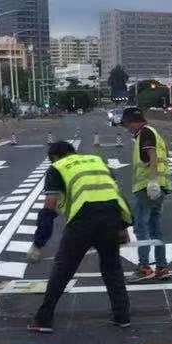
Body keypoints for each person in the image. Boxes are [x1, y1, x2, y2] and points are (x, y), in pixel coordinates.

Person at [27, 140, 132, 333]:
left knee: (63, 267)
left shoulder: (57, 167)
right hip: (110, 215)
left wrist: (38, 243)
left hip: (83, 219)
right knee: (112, 266)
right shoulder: (97, 161)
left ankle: (43, 319)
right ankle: (122, 316)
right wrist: (122, 227)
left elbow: (49, 208)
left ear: (55, 157)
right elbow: (113, 192)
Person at [121, 106, 171, 281]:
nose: (127, 129)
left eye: (127, 125)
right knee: (155, 229)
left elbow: (152, 156)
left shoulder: (145, 133)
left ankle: (144, 267)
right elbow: (164, 150)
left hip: (148, 188)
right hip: (160, 187)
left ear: (132, 122)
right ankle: (161, 267)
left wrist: (151, 181)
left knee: (141, 227)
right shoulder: (153, 132)